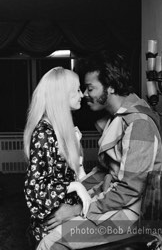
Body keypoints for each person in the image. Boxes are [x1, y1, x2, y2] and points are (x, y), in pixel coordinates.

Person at [36, 51, 162, 250]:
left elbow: (130, 189)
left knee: (50, 244)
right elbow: (104, 172)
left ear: (111, 86)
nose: (85, 94)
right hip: (113, 203)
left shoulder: (139, 123)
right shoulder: (117, 118)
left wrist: (77, 209)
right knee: (50, 223)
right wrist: (66, 194)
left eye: (90, 88)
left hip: (131, 213)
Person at [23, 67, 91, 245]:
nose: (82, 95)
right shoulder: (44, 132)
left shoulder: (62, 129)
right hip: (51, 227)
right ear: (62, 95)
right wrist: (76, 186)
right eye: (77, 90)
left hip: (70, 217)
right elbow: (34, 188)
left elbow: (72, 172)